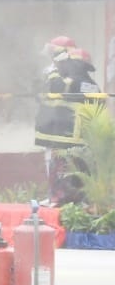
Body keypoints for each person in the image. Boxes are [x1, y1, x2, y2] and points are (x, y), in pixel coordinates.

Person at [35, 42, 99, 202]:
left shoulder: (72, 82)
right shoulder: (94, 85)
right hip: (83, 139)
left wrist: (52, 71)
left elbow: (56, 86)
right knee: (80, 174)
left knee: (61, 172)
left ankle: (58, 200)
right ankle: (80, 201)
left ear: (75, 65)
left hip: (65, 136)